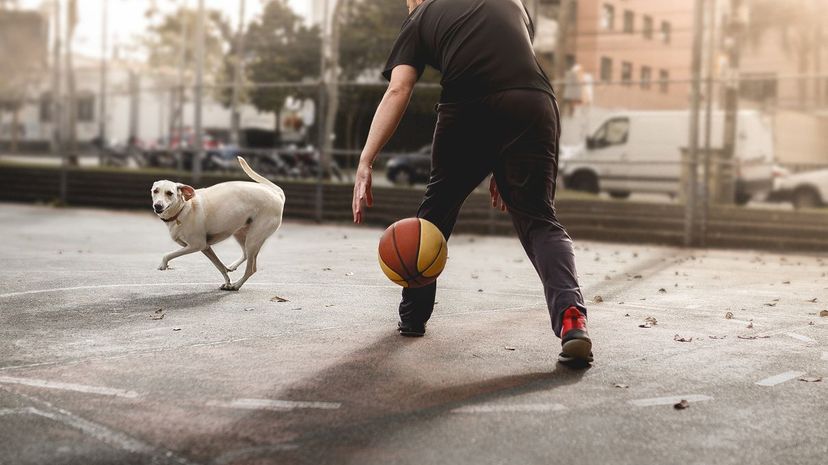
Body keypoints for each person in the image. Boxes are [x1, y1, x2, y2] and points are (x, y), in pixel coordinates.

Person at [351, 0, 592, 366]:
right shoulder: (516, 5)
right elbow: (504, 59)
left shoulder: (421, 16)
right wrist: (502, 161)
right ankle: (571, 317)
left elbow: (399, 89)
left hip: (467, 109)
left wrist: (366, 159)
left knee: (435, 215)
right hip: (532, 103)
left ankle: (413, 317)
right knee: (540, 219)